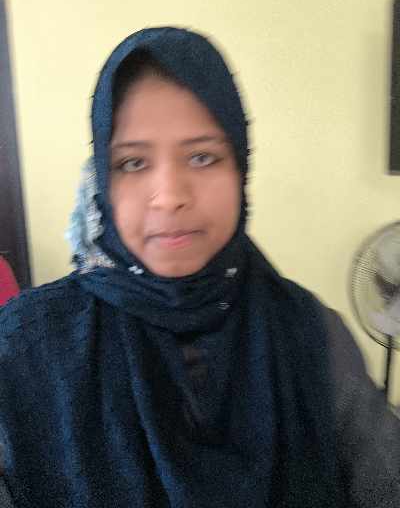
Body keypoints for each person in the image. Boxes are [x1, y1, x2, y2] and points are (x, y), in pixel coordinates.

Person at [0, 27, 399, 507]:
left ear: (240, 169)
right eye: (133, 163)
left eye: (203, 157)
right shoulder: (24, 348)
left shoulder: (309, 332)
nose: (170, 196)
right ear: (102, 182)